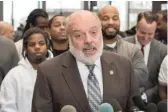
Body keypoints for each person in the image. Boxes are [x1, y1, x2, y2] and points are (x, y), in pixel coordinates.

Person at [31, 10, 140, 112]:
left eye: (93, 32)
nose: (88, 40)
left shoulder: (124, 65)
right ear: (69, 38)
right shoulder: (48, 71)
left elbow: (134, 107)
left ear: (101, 34)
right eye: (79, 35)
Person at [0, 27, 53, 112]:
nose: (37, 47)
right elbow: (7, 108)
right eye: (32, 44)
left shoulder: (57, 71)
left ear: (47, 46)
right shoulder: (14, 76)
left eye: (41, 43)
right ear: (25, 48)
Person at [98, 5, 148, 92]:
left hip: (126, 104)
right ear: (97, 22)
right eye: (105, 18)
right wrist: (128, 72)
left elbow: (142, 78)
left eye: (115, 18)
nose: (111, 22)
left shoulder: (133, 49)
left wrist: (108, 73)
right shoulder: (91, 50)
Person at [125, 11, 167, 104]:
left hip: (151, 103)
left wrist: (146, 96)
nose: (146, 37)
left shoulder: (163, 50)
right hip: (126, 101)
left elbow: (162, 82)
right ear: (136, 28)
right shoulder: (123, 45)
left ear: (155, 31)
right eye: (142, 32)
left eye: (150, 34)